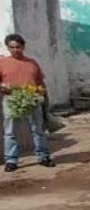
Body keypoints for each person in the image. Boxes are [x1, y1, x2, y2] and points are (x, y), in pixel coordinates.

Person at [1, 33, 54, 171]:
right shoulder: (2, 63)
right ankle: (11, 161)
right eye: (11, 47)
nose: (15, 50)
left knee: (38, 130)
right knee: (10, 131)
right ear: (8, 48)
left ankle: (43, 157)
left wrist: (42, 96)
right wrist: (3, 88)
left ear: (23, 47)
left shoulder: (32, 63)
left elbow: (40, 82)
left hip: (32, 99)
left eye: (18, 47)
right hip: (12, 100)